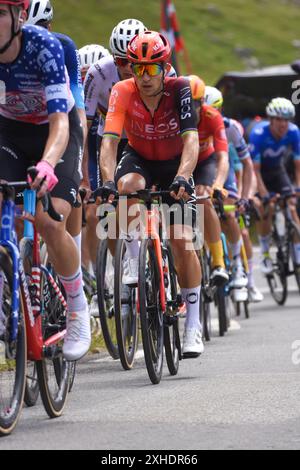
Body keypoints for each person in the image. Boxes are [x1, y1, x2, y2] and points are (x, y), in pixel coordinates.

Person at [100, 31, 204, 357]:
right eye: (137, 68)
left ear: (165, 67)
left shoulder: (180, 88)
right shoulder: (121, 90)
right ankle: (133, 262)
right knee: (126, 186)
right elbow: (109, 142)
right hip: (140, 157)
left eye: (151, 69)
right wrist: (105, 180)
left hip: (175, 164)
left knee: (183, 240)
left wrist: (184, 176)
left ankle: (193, 325)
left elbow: (191, 140)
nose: (143, 77)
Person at [0, 0, 90, 360]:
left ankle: (77, 307)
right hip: (9, 132)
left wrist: (49, 164)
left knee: (50, 218)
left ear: (18, 18)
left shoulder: (46, 47)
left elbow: (61, 122)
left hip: (56, 133)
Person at [204, 86, 263, 302]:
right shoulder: (191, 123)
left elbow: (248, 165)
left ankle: (238, 268)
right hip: (201, 168)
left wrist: (244, 197)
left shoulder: (230, 128)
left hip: (223, 170)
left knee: (229, 214)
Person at [249, 97, 300, 274]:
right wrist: (263, 194)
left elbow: (297, 164)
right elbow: (255, 171)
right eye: (279, 119)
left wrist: (297, 188)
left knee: (291, 205)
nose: (283, 124)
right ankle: (265, 254)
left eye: (286, 120)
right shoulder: (258, 134)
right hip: (259, 174)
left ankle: (298, 252)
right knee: (268, 208)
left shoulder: (294, 132)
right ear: (270, 119)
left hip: (277, 171)